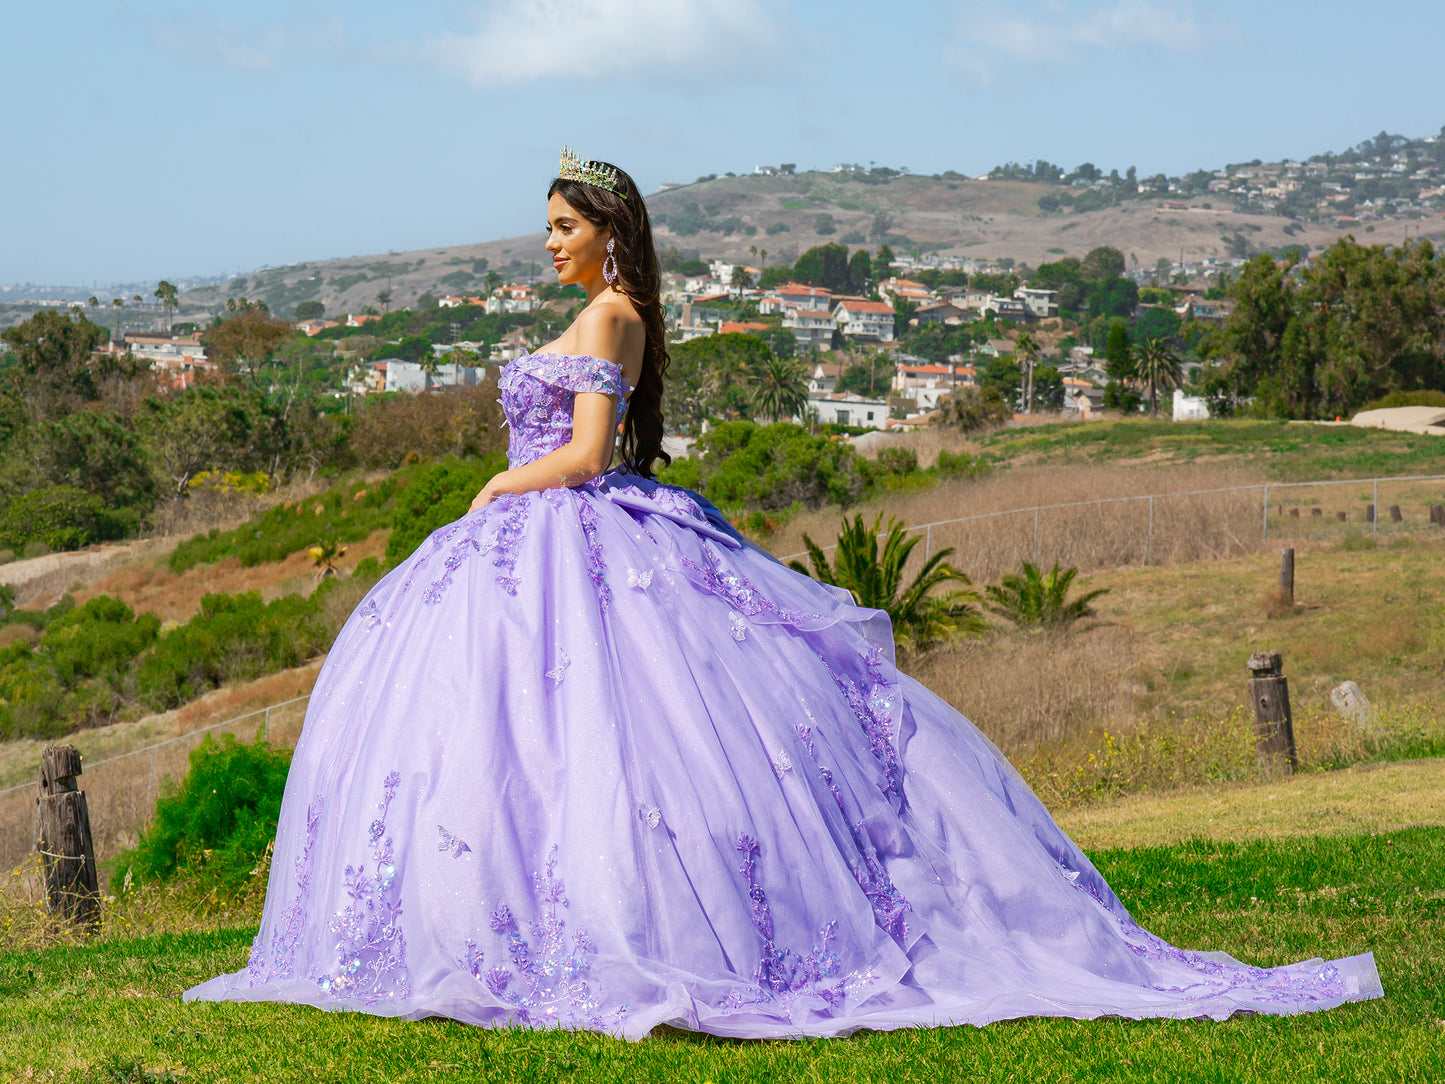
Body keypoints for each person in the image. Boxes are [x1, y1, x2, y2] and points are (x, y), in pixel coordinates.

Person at [185, 149, 1382, 1039]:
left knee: (620, 739)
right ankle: (510, 924)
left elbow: (591, 454)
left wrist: (501, 481)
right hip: (523, 544)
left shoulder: (615, 310)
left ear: (607, 232)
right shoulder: (583, 306)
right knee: (517, 746)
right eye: (544, 228)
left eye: (563, 226)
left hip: (567, 527)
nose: (547, 243)